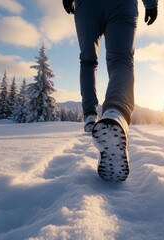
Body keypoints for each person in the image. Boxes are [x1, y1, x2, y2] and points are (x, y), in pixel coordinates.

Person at [62, 0, 158, 181]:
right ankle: (115, 113)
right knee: (122, 60)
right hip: (122, 4)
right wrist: (151, 3)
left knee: (88, 60)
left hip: (88, 5)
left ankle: (91, 115)